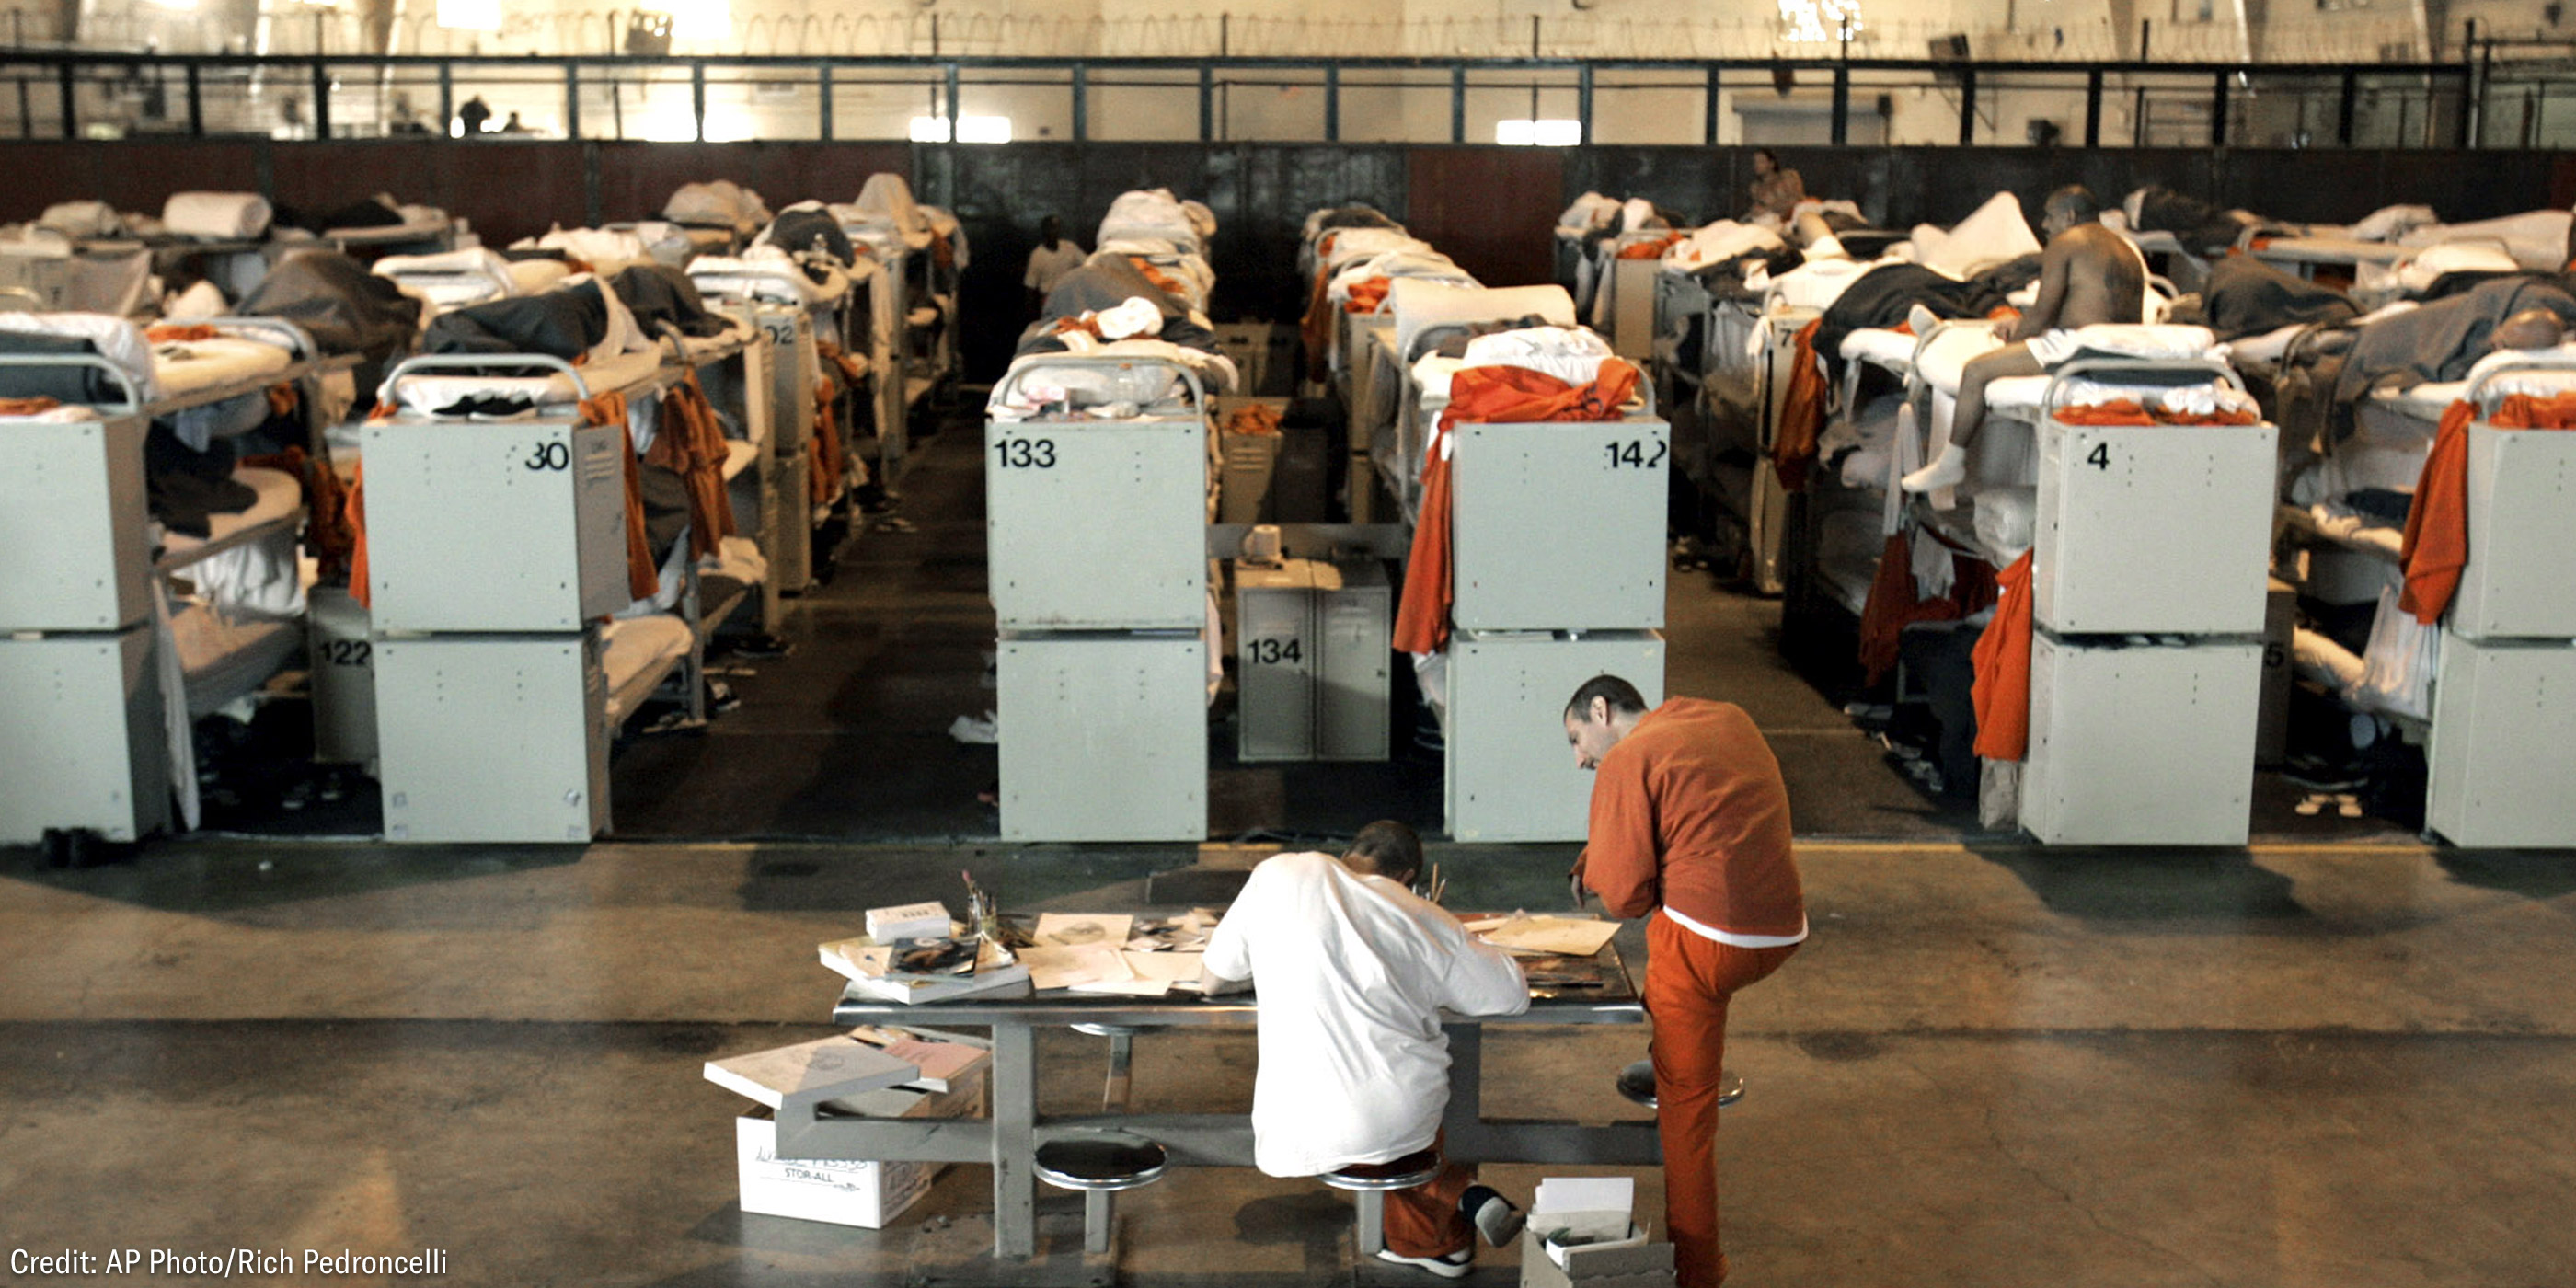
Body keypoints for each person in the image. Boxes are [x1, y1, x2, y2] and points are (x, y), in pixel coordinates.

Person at [1202, 822, 1529, 1280]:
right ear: (1408, 876)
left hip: (1295, 1121)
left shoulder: (1277, 874)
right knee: (1399, 1122)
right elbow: (1510, 994)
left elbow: (1213, 979)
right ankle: (1449, 1221)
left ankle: (1455, 1208)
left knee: (1372, 1124)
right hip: (1402, 1117)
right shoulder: (1416, 912)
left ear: (1352, 851)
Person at [1563, 676, 1805, 1288]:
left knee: (1687, 1113)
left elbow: (1624, 897)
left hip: (1705, 942)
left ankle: (1699, 1271)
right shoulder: (1725, 714)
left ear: (1601, 710)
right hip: (1779, 928)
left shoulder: (1628, 757)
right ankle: (1674, 1057)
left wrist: (1601, 866)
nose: (1580, 758)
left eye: (1577, 738)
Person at [1901, 184, 2146, 493]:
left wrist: (2015, 345)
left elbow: (2043, 313)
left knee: (1975, 371)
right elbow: (2092, 308)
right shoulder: (2125, 249)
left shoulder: (2067, 241)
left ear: (2069, 216)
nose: (2044, 225)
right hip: (2124, 349)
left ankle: (1950, 463)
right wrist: (2022, 325)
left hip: (2081, 350)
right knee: (2020, 336)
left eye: (2048, 217)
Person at [1022, 215, 1087, 315]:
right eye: (1051, 228)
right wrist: (1030, 313)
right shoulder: (1037, 255)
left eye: (1056, 228)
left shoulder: (1070, 248)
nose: (1054, 231)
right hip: (1049, 300)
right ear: (1044, 230)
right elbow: (1030, 287)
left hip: (1070, 298)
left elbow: (1089, 264)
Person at [1745, 148, 1805, 226]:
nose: (1756, 165)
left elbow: (1798, 200)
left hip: (1796, 217)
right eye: (1755, 162)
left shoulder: (1787, 177)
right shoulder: (1755, 187)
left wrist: (1769, 208)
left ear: (1771, 164)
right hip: (1769, 222)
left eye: (1761, 161)